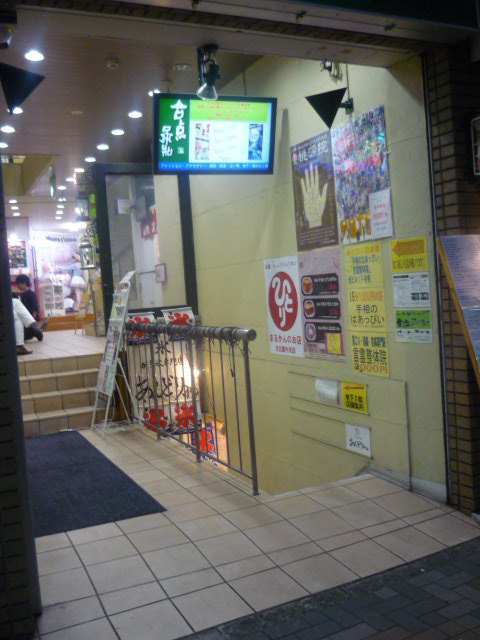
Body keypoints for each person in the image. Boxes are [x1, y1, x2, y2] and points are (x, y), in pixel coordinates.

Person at [15, 274, 48, 340]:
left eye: (19, 284)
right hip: (26, 317)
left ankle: (36, 329)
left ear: (24, 283)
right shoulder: (23, 294)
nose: (18, 286)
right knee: (24, 336)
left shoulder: (31, 293)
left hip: (31, 318)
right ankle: (36, 330)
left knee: (26, 336)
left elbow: (35, 308)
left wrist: (32, 320)